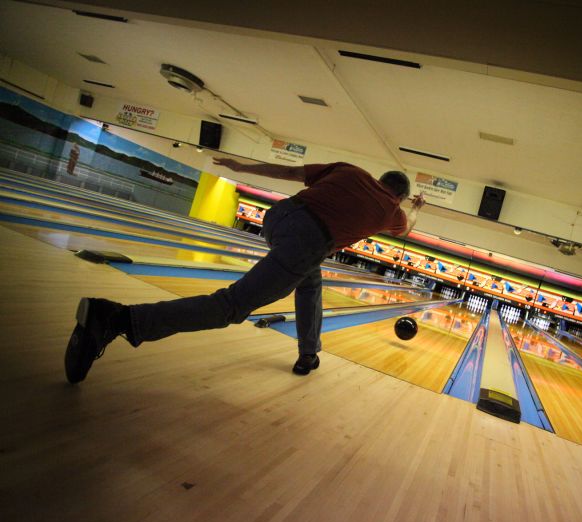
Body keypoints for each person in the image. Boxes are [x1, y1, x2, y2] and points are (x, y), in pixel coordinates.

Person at [64, 159, 426, 383]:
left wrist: (241, 168)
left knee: (310, 280)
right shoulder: (390, 211)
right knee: (230, 307)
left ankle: (308, 352)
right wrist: (415, 208)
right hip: (309, 241)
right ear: (398, 195)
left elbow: (289, 171)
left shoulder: (350, 170)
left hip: (278, 216)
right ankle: (120, 318)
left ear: (380, 178)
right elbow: (406, 228)